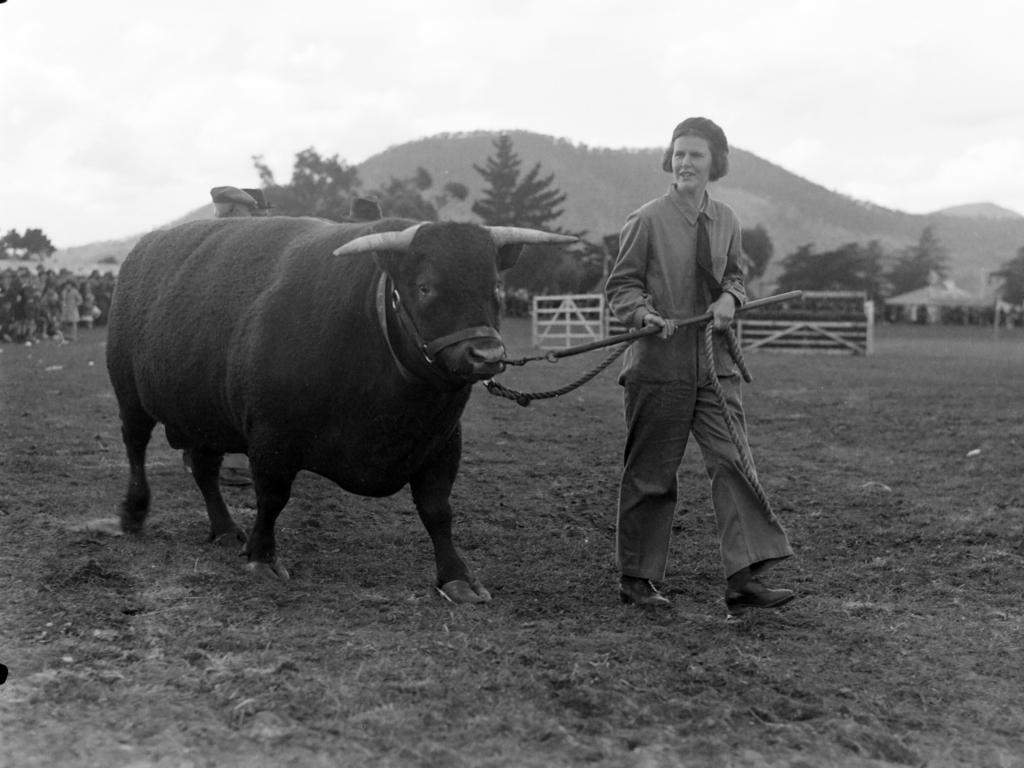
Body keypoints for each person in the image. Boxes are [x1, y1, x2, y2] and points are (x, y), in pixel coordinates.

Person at [604, 117, 794, 613]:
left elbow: (735, 276)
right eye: (679, 153)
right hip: (657, 365)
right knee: (651, 473)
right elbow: (620, 288)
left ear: (716, 164)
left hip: (715, 367)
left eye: (697, 155)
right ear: (670, 159)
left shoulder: (727, 220)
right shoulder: (645, 220)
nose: (686, 162)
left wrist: (731, 298)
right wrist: (643, 313)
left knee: (733, 461)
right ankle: (637, 579)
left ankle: (744, 578)